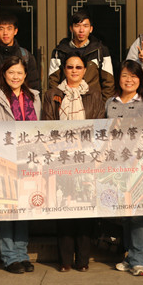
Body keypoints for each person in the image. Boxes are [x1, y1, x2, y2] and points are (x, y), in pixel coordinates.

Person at [42, 51, 105, 271]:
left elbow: (99, 124)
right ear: (63, 70)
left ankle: (83, 260)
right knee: (64, 207)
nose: (74, 71)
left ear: (85, 70)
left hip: (86, 158)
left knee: (84, 207)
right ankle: (65, 260)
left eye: (78, 67)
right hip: (61, 159)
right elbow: (48, 125)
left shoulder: (94, 95)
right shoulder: (52, 94)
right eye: (70, 67)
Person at [0, 57, 40, 274]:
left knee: (24, 209)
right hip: (6, 161)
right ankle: (9, 257)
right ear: (4, 74)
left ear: (25, 75)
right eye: (11, 73)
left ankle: (22, 254)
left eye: (19, 73)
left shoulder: (34, 97)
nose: (15, 77)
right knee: (7, 210)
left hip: (29, 161)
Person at [108, 60, 143, 277]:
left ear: (141, 80)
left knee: (138, 214)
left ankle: (139, 260)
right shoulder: (110, 103)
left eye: (134, 76)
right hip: (117, 166)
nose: (129, 80)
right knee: (125, 213)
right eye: (125, 76)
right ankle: (129, 256)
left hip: (140, 165)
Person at [48, 10, 115, 103]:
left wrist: (102, 106)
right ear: (71, 28)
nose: (81, 30)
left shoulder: (100, 50)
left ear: (91, 29)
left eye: (85, 26)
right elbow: (53, 82)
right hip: (67, 103)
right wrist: (58, 103)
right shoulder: (59, 51)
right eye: (77, 26)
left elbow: (108, 83)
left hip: (92, 103)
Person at [0, 11, 40, 94]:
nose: (5, 33)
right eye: (1, 29)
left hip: (20, 101)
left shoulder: (26, 56)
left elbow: (34, 87)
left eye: (9, 28)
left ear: (15, 31)